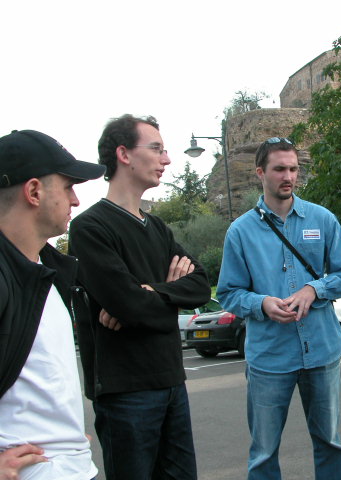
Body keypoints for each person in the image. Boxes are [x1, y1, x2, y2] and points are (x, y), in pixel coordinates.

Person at [68, 115, 211, 480]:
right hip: (125, 391)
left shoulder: (158, 227)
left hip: (172, 381)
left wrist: (152, 292)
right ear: (124, 154)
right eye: (157, 148)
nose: (167, 159)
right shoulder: (89, 227)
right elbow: (130, 305)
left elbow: (201, 285)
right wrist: (155, 299)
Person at [217, 137, 341, 479]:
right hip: (269, 357)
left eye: (294, 169)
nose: (289, 177)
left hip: (321, 351)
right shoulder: (240, 231)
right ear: (260, 172)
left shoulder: (322, 219)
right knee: (264, 452)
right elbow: (228, 293)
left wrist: (315, 288)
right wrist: (262, 303)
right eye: (280, 169)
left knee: (330, 442)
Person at [0, 129, 105, 479]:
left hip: (72, 467)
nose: (75, 200)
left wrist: (66, 435)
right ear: (34, 192)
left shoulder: (47, 272)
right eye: (68, 186)